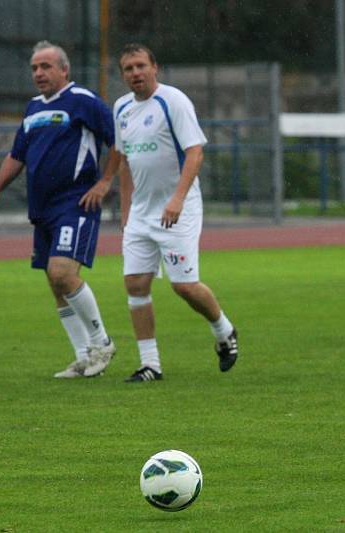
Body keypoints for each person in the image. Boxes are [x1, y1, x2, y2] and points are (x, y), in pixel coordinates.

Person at [0, 40, 118, 379]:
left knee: (62, 273)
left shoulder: (83, 101)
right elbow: (17, 156)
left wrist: (105, 182)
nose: (38, 73)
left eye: (45, 66)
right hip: (42, 209)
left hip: (75, 202)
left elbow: (117, 141)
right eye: (34, 68)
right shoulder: (31, 108)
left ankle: (103, 343)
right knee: (55, 284)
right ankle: (84, 356)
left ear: (64, 69)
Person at [113, 43, 238, 382]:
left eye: (141, 65)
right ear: (122, 74)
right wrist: (126, 215)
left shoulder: (174, 101)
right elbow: (124, 162)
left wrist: (177, 200)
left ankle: (224, 330)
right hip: (141, 213)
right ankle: (150, 365)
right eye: (128, 68)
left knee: (183, 286)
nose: (135, 73)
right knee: (135, 283)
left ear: (155, 67)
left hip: (178, 208)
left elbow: (195, 153)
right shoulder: (122, 108)